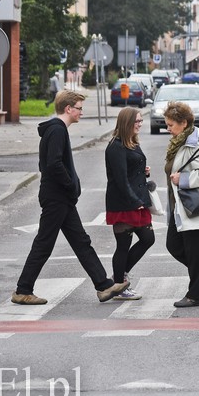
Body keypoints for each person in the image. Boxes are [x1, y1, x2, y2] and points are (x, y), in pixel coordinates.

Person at [11, 90, 128, 305]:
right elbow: (53, 164)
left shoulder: (56, 130)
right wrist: (70, 185)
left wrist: (72, 187)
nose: (81, 113)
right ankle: (23, 290)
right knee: (44, 244)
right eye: (79, 109)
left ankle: (103, 285)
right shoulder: (57, 131)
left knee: (81, 241)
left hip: (60, 197)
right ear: (68, 109)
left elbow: (46, 164)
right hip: (57, 197)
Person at [164, 101, 199, 307]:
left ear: (184, 123)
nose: (167, 128)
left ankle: (195, 294)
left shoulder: (194, 144)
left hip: (195, 207)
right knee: (174, 245)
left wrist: (185, 180)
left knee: (194, 252)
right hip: (181, 207)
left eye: (171, 125)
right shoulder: (180, 142)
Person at [105, 107, 156, 300]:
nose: (140, 124)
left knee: (148, 239)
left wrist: (143, 171)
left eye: (141, 121)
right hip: (124, 203)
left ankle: (120, 277)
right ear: (127, 123)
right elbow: (119, 179)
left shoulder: (131, 142)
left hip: (137, 199)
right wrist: (134, 201)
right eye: (137, 121)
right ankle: (120, 284)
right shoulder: (116, 146)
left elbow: (130, 169)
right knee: (123, 245)